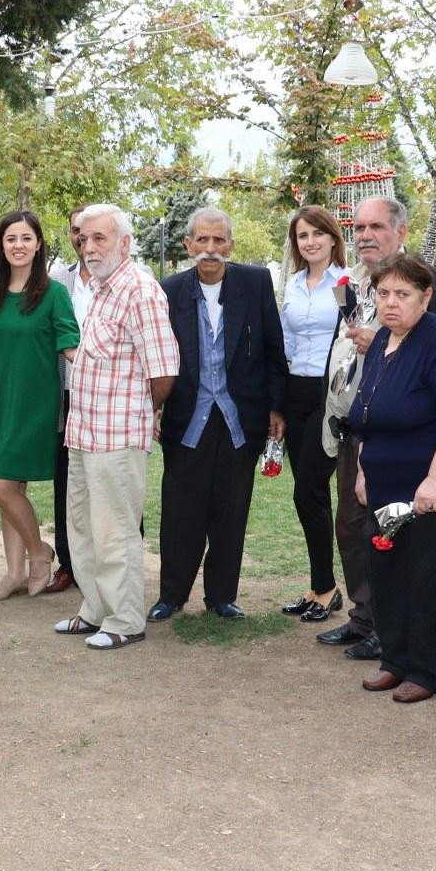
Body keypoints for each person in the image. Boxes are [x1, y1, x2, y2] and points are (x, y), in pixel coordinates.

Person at [318, 196, 436, 661]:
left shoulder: (422, 280)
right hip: (360, 429)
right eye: (358, 227)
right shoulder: (360, 282)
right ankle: (366, 617)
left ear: (400, 231)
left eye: (376, 226)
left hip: (411, 442)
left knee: (390, 534)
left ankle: (391, 630)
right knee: (353, 526)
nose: (364, 235)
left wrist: (378, 342)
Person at [348, 254, 436, 703]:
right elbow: (367, 413)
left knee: (430, 577)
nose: (391, 303)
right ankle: (395, 659)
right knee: (388, 576)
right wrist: (364, 470)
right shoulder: (383, 339)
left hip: (435, 487)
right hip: (385, 484)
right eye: (383, 293)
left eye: (402, 294)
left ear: (426, 296)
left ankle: (427, 670)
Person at [53, 204, 181, 650]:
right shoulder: (103, 290)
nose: (89, 247)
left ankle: (125, 621)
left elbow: (164, 371)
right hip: (83, 434)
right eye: (84, 239)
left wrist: (139, 416)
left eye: (99, 239)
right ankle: (95, 610)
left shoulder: (140, 291)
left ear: (125, 243)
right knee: (83, 527)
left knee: (115, 530)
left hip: (116, 437)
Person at [149, 207, 286, 621]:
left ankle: (221, 595)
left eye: (218, 241)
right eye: (202, 241)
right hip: (186, 419)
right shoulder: (168, 290)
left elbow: (274, 349)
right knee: (179, 511)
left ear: (231, 245)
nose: (210, 250)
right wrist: (154, 406)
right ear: (188, 245)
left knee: (231, 510)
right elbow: (157, 356)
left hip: (239, 419)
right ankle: (171, 595)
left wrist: (276, 407)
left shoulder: (255, 283)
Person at [0, 210, 79, 600]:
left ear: (38, 245)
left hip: (36, 403)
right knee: (11, 486)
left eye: (25, 238)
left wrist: (108, 368)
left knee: (0, 485)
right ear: (1, 247)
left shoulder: (54, 293)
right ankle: (15, 572)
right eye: (10, 239)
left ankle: (39, 553)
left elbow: (70, 343)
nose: (18, 245)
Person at [277, 205, 346, 624]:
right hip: (294, 392)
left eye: (318, 233)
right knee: (308, 495)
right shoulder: (293, 284)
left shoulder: (345, 282)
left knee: (310, 489)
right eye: (303, 236)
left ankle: (328, 588)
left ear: (333, 238)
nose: (310, 242)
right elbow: (285, 339)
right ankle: (319, 586)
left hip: (329, 392)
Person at [42, 204, 94, 594]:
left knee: (112, 484)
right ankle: (68, 563)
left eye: (93, 232)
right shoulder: (57, 279)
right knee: (67, 483)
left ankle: (114, 564)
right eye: (78, 231)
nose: (84, 239)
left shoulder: (134, 278)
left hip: (112, 399)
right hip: (67, 397)